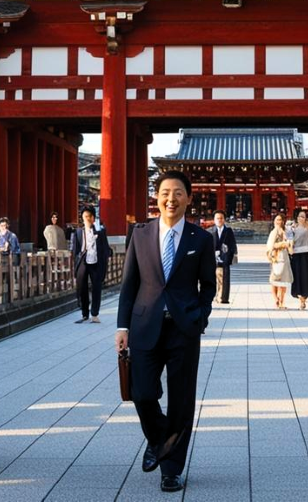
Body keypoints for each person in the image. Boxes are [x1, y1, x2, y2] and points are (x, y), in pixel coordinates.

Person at [116, 170, 216, 493]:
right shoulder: (140, 234)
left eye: (177, 193)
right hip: (145, 326)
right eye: (164, 192)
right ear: (156, 197)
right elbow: (129, 285)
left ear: (188, 198)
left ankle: (171, 469)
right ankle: (159, 440)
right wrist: (122, 326)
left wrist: (199, 316)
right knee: (142, 392)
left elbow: (209, 286)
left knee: (181, 401)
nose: (170, 199)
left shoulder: (200, 239)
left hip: (183, 329)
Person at [72, 207, 112, 323]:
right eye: (85, 217)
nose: (87, 219)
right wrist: (76, 264)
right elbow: (75, 250)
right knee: (82, 288)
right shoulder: (79, 232)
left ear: (93, 218)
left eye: (89, 216)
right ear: (82, 218)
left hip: (96, 262)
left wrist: (105, 260)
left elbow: (105, 247)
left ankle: (94, 313)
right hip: (84, 261)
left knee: (96, 287)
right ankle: (85, 313)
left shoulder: (100, 231)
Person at [290, 210, 308, 309]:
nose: (301, 218)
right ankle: (300, 298)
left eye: (303, 216)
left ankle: (303, 299)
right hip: (296, 255)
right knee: (297, 277)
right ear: (297, 218)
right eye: (299, 216)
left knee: (306, 277)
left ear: (305, 218)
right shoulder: (293, 229)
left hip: (306, 255)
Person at [266, 213, 293, 310]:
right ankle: (276, 300)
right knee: (275, 279)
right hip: (276, 257)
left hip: (285, 256)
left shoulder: (287, 231)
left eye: (280, 219)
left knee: (284, 280)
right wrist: (282, 244)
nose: (278, 221)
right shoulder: (274, 232)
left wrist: (289, 245)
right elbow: (270, 245)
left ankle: (282, 301)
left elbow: (291, 243)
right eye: (276, 219)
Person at [211, 210, 237, 304]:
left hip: (225, 258)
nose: (219, 220)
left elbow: (232, 244)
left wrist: (230, 255)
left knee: (224, 280)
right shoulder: (210, 231)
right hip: (212, 259)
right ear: (214, 219)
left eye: (221, 218)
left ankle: (223, 298)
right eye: (217, 218)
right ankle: (214, 296)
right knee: (213, 279)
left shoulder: (228, 231)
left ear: (224, 219)